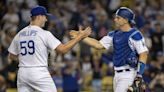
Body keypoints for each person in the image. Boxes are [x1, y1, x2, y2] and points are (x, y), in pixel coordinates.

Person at [8, 6, 91, 92]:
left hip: (22, 73)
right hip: (39, 72)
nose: (46, 20)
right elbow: (63, 49)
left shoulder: (19, 34)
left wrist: (27, 60)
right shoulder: (44, 33)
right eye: (45, 16)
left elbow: (11, 56)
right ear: (39, 16)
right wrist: (80, 37)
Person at [70, 7, 148, 92]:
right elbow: (98, 45)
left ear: (125, 20)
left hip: (129, 75)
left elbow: (143, 54)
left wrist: (139, 75)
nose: (115, 20)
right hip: (117, 75)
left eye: (118, 18)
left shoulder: (135, 34)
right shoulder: (114, 34)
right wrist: (81, 37)